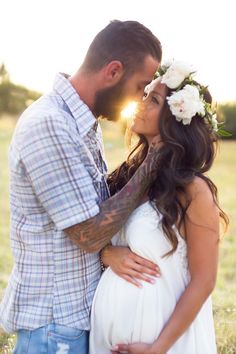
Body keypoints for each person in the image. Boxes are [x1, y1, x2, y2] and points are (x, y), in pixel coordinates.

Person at [0, 20, 162, 354]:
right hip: (54, 327)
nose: (140, 99)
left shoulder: (82, 123)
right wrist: (156, 160)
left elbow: (90, 209)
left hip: (73, 320)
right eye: (141, 87)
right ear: (114, 71)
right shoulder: (50, 124)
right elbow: (87, 232)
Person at [89, 60, 229, 354]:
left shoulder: (193, 190)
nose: (139, 104)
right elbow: (95, 232)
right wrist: (106, 254)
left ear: (175, 116)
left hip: (163, 341)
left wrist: (159, 347)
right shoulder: (126, 176)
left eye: (152, 99)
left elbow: (204, 280)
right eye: (143, 95)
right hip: (106, 337)